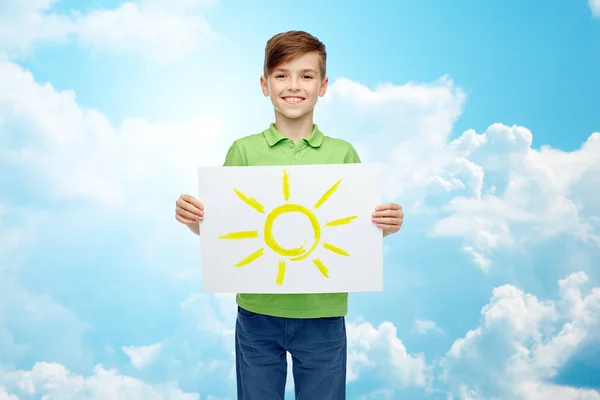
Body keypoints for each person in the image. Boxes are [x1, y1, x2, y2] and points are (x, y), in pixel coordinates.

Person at [175, 30, 404, 400]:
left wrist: (386, 225)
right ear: (265, 85)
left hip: (323, 314)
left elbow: (357, 231)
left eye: (307, 75)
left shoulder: (343, 153)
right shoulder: (244, 151)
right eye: (282, 75)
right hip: (257, 312)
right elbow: (226, 232)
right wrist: (194, 220)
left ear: (323, 85)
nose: (293, 85)